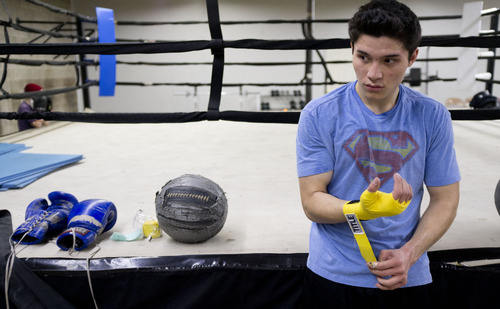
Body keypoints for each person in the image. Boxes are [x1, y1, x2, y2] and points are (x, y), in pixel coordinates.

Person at [296, 0, 460, 307]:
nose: (373, 73)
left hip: (405, 273)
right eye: (363, 57)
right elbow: (312, 200)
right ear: (352, 49)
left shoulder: (432, 116)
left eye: (389, 61)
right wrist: (360, 209)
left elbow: (445, 199)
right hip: (334, 273)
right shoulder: (319, 114)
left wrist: (409, 254)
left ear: (412, 57)